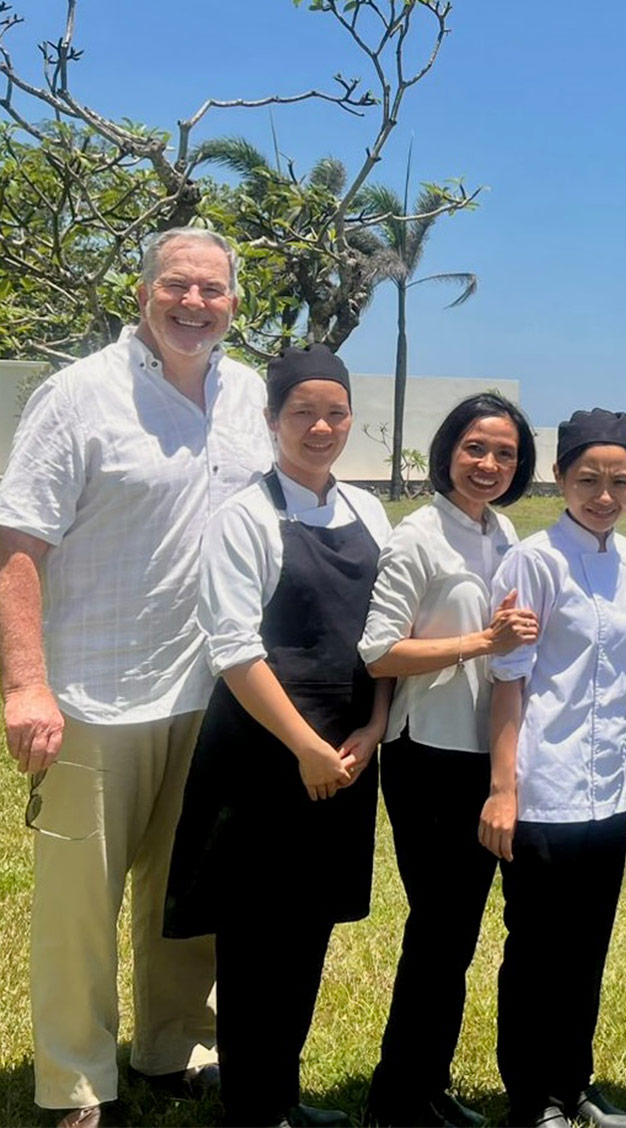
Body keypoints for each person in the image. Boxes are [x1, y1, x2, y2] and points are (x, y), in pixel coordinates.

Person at [0, 227, 269, 1127]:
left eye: (212, 290)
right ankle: (76, 1083)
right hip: (94, 691)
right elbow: (17, 542)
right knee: (80, 904)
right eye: (177, 286)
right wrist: (25, 685)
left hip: (212, 688)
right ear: (143, 291)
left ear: (235, 302)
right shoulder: (78, 396)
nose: (194, 303)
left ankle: (174, 1047)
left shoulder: (249, 397)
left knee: (187, 892)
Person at [163, 344, 393, 1127]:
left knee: (308, 928)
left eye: (335, 413)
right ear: (271, 420)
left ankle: (281, 1095)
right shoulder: (245, 515)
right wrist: (305, 747)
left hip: (347, 750)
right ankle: (251, 1105)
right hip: (265, 751)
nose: (320, 427)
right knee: (256, 934)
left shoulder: (369, 513)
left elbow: (384, 634)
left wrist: (374, 725)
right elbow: (233, 649)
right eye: (303, 413)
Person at [360, 393, 541, 1127]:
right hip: (428, 754)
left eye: (505, 453)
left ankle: (425, 1086)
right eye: (475, 448)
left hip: (486, 754)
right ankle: (398, 1096)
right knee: (439, 931)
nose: (489, 464)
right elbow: (378, 650)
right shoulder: (419, 537)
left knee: (459, 933)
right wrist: (480, 643)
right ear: (448, 452)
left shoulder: (503, 533)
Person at [482, 409, 626, 1128]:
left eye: (619, 481)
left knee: (587, 946)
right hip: (545, 784)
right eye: (588, 480)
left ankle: (573, 1084)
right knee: (537, 949)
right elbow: (508, 676)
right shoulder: (535, 561)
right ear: (558, 478)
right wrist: (503, 789)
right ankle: (531, 1100)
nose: (604, 496)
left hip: (610, 790)